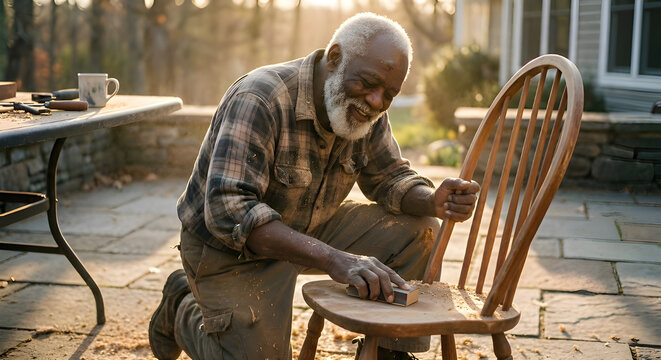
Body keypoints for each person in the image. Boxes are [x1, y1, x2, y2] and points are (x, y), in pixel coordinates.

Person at [149, 12, 480, 360]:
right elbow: (230, 210)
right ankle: (181, 307)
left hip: (307, 227)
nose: (377, 103)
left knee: (419, 229)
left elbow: (389, 176)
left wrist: (432, 200)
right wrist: (333, 258)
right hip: (228, 248)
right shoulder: (260, 97)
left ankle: (388, 352)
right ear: (335, 58)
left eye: (390, 95)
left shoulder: (368, 109)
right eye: (368, 83)